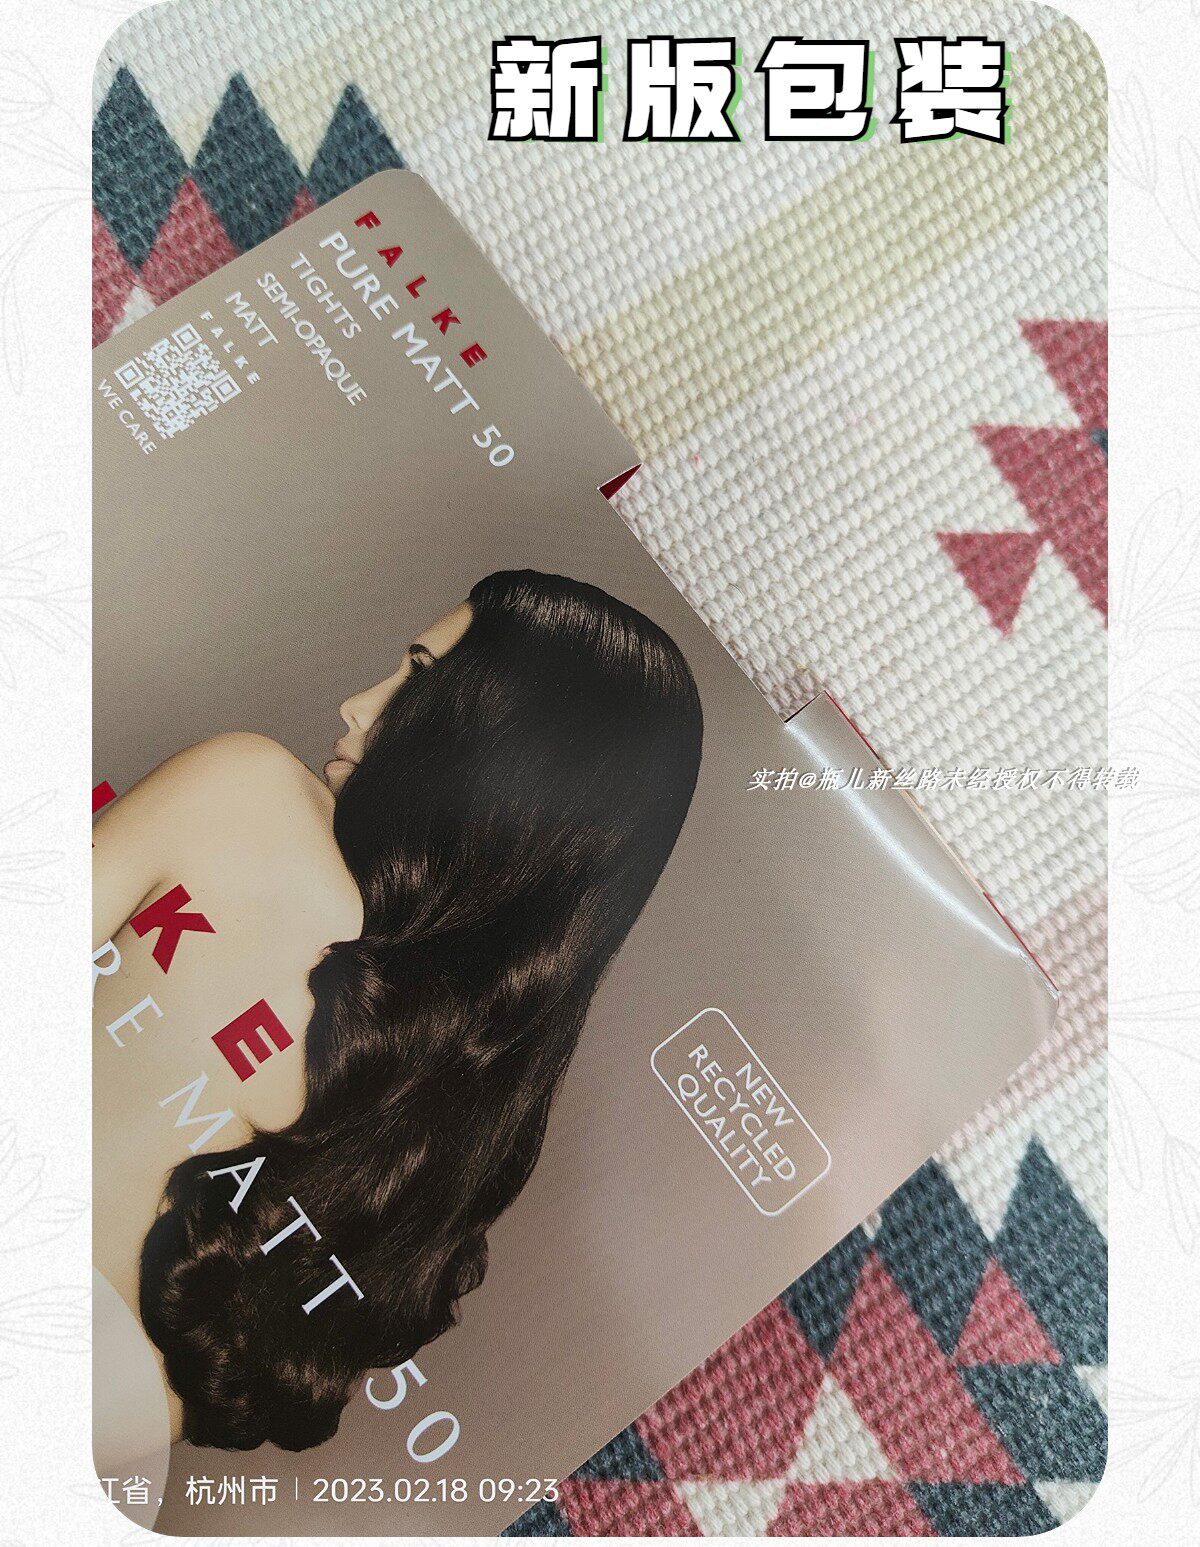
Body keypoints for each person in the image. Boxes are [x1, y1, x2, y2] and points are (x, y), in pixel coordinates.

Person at [93, 570, 703, 1453]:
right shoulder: (468, 1128)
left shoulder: (248, 792)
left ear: (504, 749)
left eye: (417, 676)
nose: (357, 702)